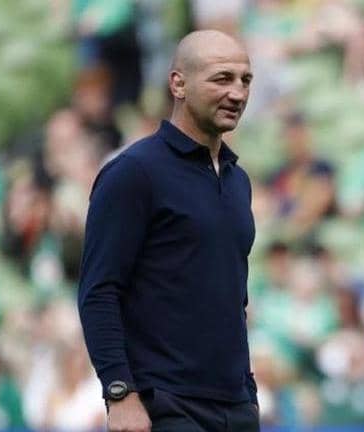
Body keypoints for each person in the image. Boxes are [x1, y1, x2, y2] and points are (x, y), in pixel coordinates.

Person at [78, 30, 259, 432]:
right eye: (222, 78)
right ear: (178, 84)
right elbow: (99, 291)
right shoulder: (134, 173)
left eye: (245, 80)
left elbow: (234, 296)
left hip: (235, 407)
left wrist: (248, 392)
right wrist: (120, 393)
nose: (237, 93)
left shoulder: (237, 180)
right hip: (164, 405)